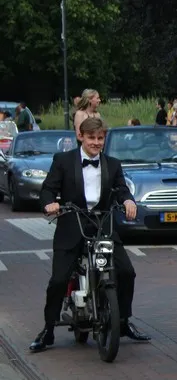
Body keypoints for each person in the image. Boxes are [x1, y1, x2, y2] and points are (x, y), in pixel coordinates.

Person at [32, 117, 150, 352]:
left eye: (100, 138)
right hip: (72, 224)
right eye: (91, 138)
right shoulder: (63, 161)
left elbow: (122, 189)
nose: (96, 143)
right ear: (81, 137)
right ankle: (48, 329)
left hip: (102, 225)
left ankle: (123, 321)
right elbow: (48, 189)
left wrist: (128, 200)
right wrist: (49, 205)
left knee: (126, 271)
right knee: (58, 279)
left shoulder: (113, 164)